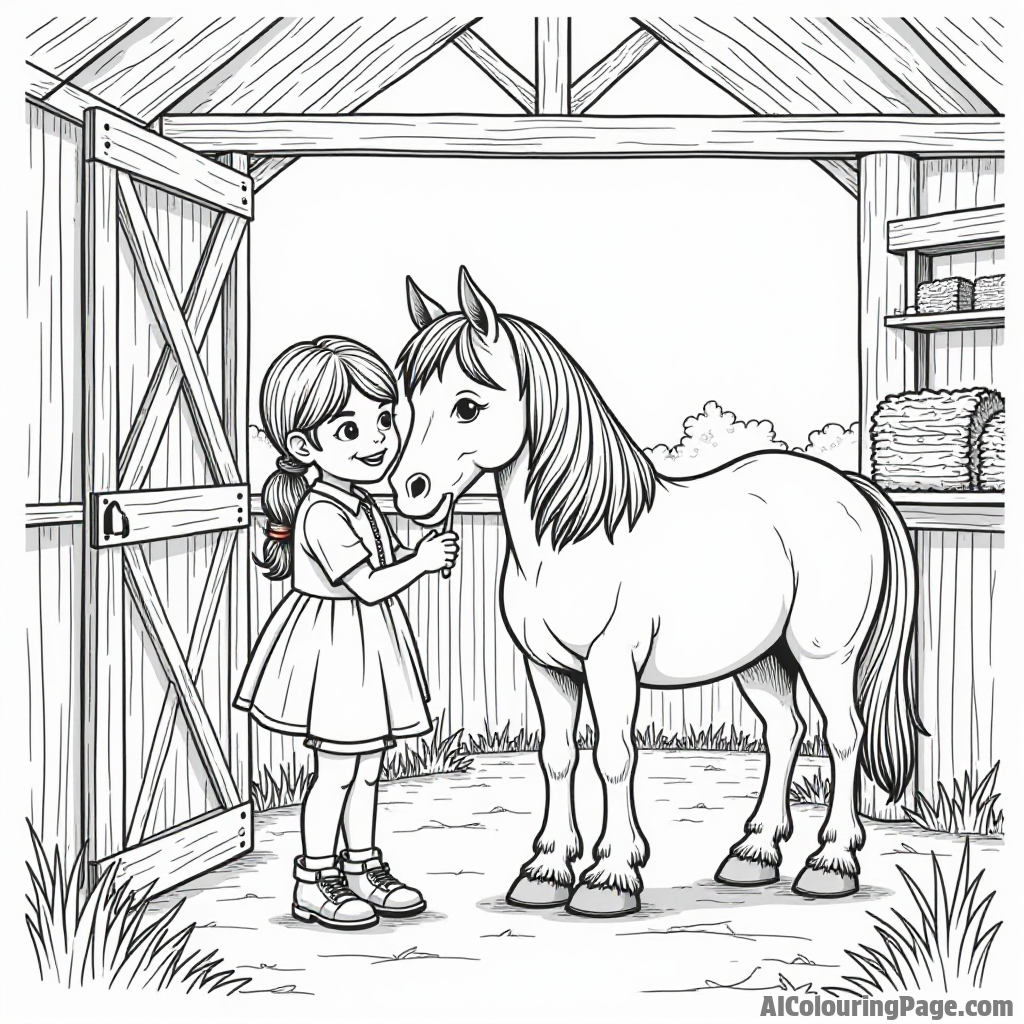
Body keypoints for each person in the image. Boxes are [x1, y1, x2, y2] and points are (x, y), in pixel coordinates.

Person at [235, 336, 458, 930]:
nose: (379, 438)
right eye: (351, 430)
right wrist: (421, 560)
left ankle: (362, 865)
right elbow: (366, 585)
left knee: (366, 767)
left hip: (365, 644)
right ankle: (315, 879)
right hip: (335, 648)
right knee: (335, 769)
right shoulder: (322, 511)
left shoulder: (358, 502)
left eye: (384, 420)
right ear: (305, 446)